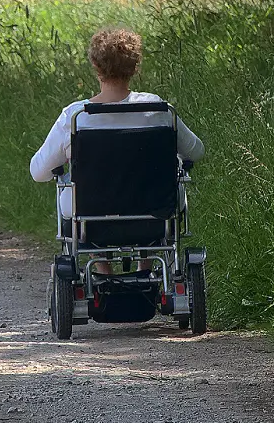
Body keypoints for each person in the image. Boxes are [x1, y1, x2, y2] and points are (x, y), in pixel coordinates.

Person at [29, 28, 205, 272]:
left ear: (95, 65)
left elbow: (39, 172)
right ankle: (147, 265)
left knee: (74, 192)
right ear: (135, 66)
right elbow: (196, 151)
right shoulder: (160, 111)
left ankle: (103, 271)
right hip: (154, 215)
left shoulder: (76, 116)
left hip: (91, 217)